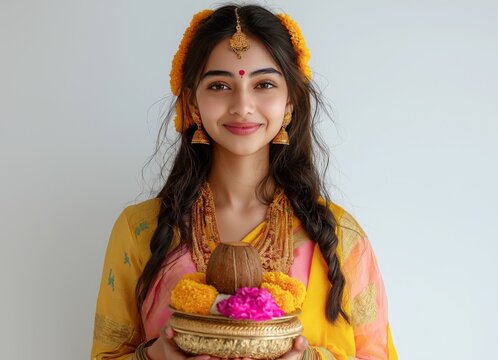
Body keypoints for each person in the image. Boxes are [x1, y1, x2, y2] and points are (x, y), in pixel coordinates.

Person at [91, 4, 398, 360]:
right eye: (220, 85)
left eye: (264, 84)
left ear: (290, 102)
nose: (242, 105)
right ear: (191, 102)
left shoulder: (339, 237)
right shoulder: (140, 231)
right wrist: (156, 356)